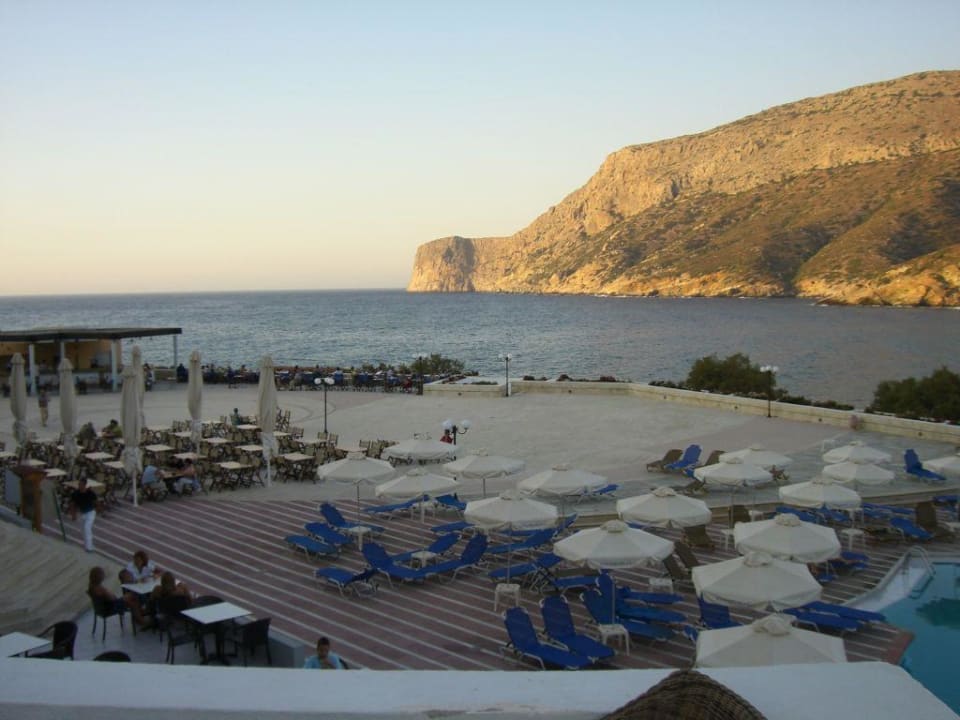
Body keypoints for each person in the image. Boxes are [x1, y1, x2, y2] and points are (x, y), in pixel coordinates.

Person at [70, 477, 98, 552]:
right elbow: (72, 504)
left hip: (90, 513)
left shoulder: (90, 493)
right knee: (83, 530)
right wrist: (73, 515)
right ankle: (88, 544)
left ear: (85, 485)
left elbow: (96, 502)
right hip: (82, 513)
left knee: (87, 528)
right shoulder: (75, 493)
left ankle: (89, 548)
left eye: (81, 484)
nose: (79, 486)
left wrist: (97, 510)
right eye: (79, 484)